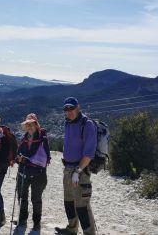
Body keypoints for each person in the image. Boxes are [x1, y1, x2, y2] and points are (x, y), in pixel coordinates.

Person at [55, 97, 97, 235]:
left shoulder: (87, 124)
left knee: (82, 206)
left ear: (78, 107)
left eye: (71, 108)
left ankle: (89, 233)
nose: (69, 112)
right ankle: (72, 229)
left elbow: (89, 154)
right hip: (67, 169)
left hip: (81, 171)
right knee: (69, 202)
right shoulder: (68, 122)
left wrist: (78, 171)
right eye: (66, 109)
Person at [15, 113, 51, 231]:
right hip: (23, 171)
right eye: (27, 124)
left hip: (38, 174)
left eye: (32, 124)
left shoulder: (42, 139)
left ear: (36, 125)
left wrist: (27, 160)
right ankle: (23, 219)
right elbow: (17, 154)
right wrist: (18, 159)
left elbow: (45, 159)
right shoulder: (24, 138)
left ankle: (36, 222)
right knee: (22, 196)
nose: (29, 127)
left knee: (36, 199)